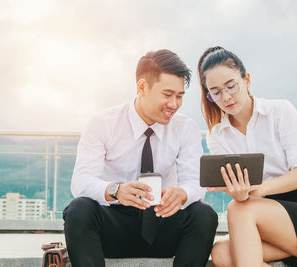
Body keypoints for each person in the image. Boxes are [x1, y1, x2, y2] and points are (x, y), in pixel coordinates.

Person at [63, 49, 218, 267]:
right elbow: (81, 183)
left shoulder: (185, 127)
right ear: (142, 87)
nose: (174, 104)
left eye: (180, 96)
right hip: (115, 223)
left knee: (204, 215)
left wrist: (182, 194)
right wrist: (117, 190)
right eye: (167, 94)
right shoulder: (103, 123)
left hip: (163, 221)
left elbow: (196, 184)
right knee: (78, 210)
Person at [197, 46, 297, 267]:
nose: (226, 96)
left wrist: (258, 190)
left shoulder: (280, 111)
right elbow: (242, 198)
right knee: (221, 254)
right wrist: (240, 194)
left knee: (237, 210)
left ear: (246, 80)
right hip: (267, 220)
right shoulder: (217, 135)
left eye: (231, 86)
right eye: (216, 92)